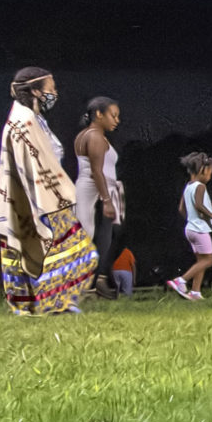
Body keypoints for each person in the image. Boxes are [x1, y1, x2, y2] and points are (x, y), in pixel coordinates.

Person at [0, 66, 96, 316]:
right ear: (36, 91)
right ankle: (52, 303)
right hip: (35, 196)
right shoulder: (24, 121)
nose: (55, 93)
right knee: (63, 247)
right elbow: (37, 163)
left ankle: (40, 304)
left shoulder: (30, 118)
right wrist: (58, 196)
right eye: (51, 89)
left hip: (31, 195)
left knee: (31, 249)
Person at [72, 96, 124, 297]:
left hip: (101, 190)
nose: (116, 120)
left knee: (106, 238)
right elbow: (96, 171)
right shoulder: (93, 137)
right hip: (95, 191)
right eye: (113, 115)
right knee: (93, 238)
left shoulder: (95, 136)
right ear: (99, 114)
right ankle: (87, 286)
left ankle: (97, 281)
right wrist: (106, 200)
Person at [172, 152, 212, 299]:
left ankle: (195, 292)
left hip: (190, 229)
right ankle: (180, 281)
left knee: (201, 261)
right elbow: (199, 206)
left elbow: (181, 209)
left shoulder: (188, 186)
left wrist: (190, 219)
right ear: (202, 171)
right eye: (209, 173)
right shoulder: (200, 187)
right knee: (208, 260)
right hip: (199, 230)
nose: (210, 176)